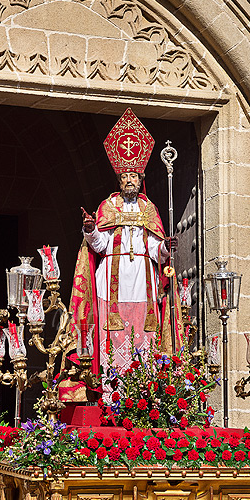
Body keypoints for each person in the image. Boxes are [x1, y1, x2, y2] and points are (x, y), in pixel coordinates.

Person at [69, 109, 183, 401]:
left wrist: (165, 248)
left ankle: (143, 397)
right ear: (119, 179)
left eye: (134, 175)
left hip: (143, 283)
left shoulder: (150, 209)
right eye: (125, 176)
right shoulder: (107, 207)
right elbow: (99, 245)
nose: (130, 180)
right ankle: (111, 395)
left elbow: (155, 251)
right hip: (112, 283)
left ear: (140, 176)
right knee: (113, 338)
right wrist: (91, 229)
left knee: (144, 339)